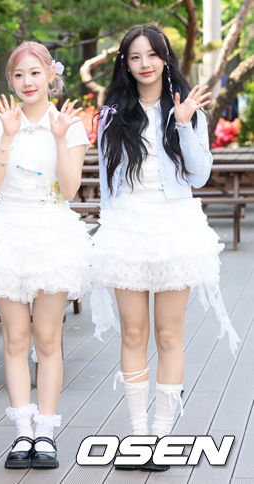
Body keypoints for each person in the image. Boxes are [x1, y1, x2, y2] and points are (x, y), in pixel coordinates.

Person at [92, 23, 240, 471]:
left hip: (175, 228)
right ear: (125, 63)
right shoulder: (112, 115)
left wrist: (185, 123)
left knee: (169, 334)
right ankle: (138, 437)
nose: (145, 64)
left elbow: (198, 175)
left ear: (165, 58)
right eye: (135, 57)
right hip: (127, 229)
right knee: (133, 333)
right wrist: (106, 234)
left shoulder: (188, 108)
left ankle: (162, 435)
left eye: (152, 55)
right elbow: (107, 186)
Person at [0, 41, 90, 469]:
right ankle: (22, 432)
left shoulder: (68, 124)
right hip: (7, 231)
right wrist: (7, 136)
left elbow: (71, 189)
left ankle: (46, 432)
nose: (27, 82)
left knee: (47, 338)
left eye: (35, 73)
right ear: (11, 79)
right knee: (15, 338)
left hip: (51, 232)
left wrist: (60, 138)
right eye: (19, 74)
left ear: (50, 75)